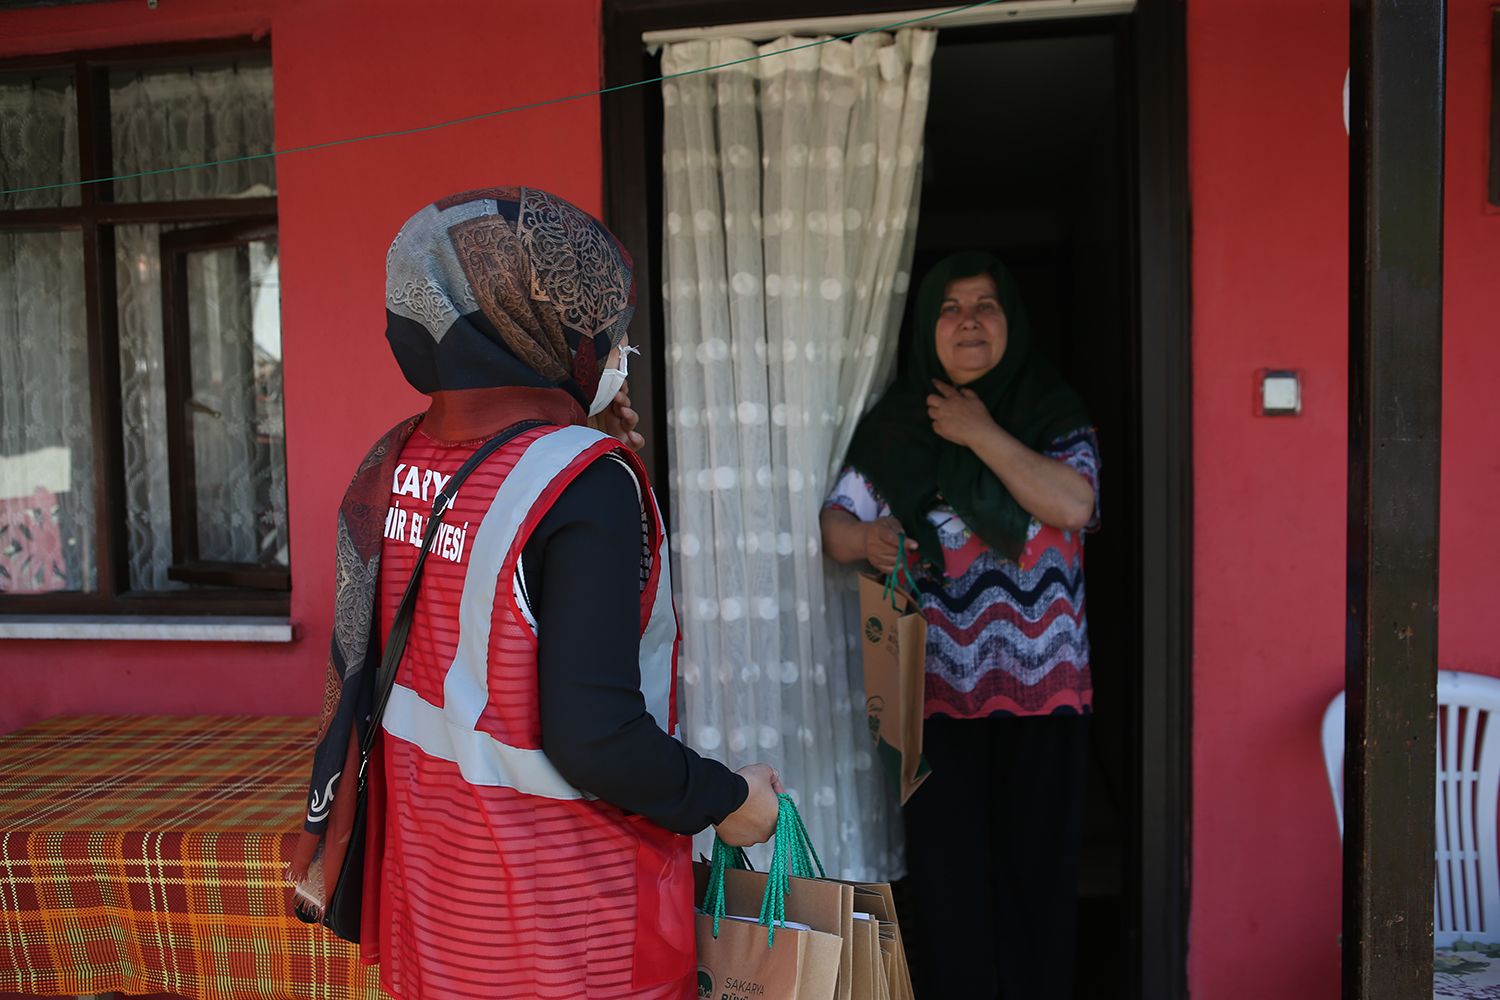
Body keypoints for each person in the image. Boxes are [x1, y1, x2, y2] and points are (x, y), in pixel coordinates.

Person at [290, 187, 782, 1000]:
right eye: (605, 325)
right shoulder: (583, 483)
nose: (613, 347)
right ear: (537, 324)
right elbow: (596, 738)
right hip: (563, 930)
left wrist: (577, 437)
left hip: (438, 916)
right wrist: (732, 802)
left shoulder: (400, 458)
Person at [820, 252, 1100, 1000]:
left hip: (1045, 692)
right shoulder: (899, 422)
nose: (969, 320)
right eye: (951, 307)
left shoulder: (1050, 409)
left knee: (1037, 874)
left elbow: (1073, 504)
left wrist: (977, 431)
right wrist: (866, 542)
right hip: (928, 689)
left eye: (986, 304)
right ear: (927, 328)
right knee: (945, 879)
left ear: (1013, 320)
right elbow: (835, 525)